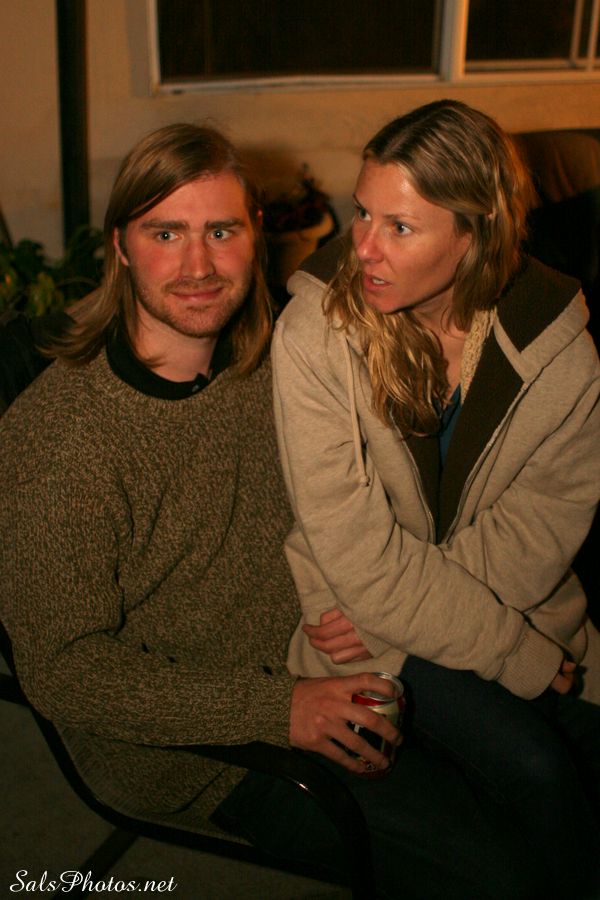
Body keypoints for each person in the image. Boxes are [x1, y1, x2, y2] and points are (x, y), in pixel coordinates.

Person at [0, 121, 554, 900]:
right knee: (505, 870)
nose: (198, 266)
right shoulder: (61, 436)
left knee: (545, 768)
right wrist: (278, 707)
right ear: (120, 246)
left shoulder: (273, 364)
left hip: (335, 644)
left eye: (221, 231)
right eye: (166, 233)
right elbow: (62, 670)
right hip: (208, 749)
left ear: (255, 235)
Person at [272, 100, 600, 897]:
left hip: (445, 606)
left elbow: (543, 528)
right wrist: (515, 655)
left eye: (400, 226)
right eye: (362, 212)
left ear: (475, 235)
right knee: (538, 768)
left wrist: (397, 605)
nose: (363, 247)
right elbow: (356, 550)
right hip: (367, 630)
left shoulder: (560, 348)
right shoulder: (315, 330)